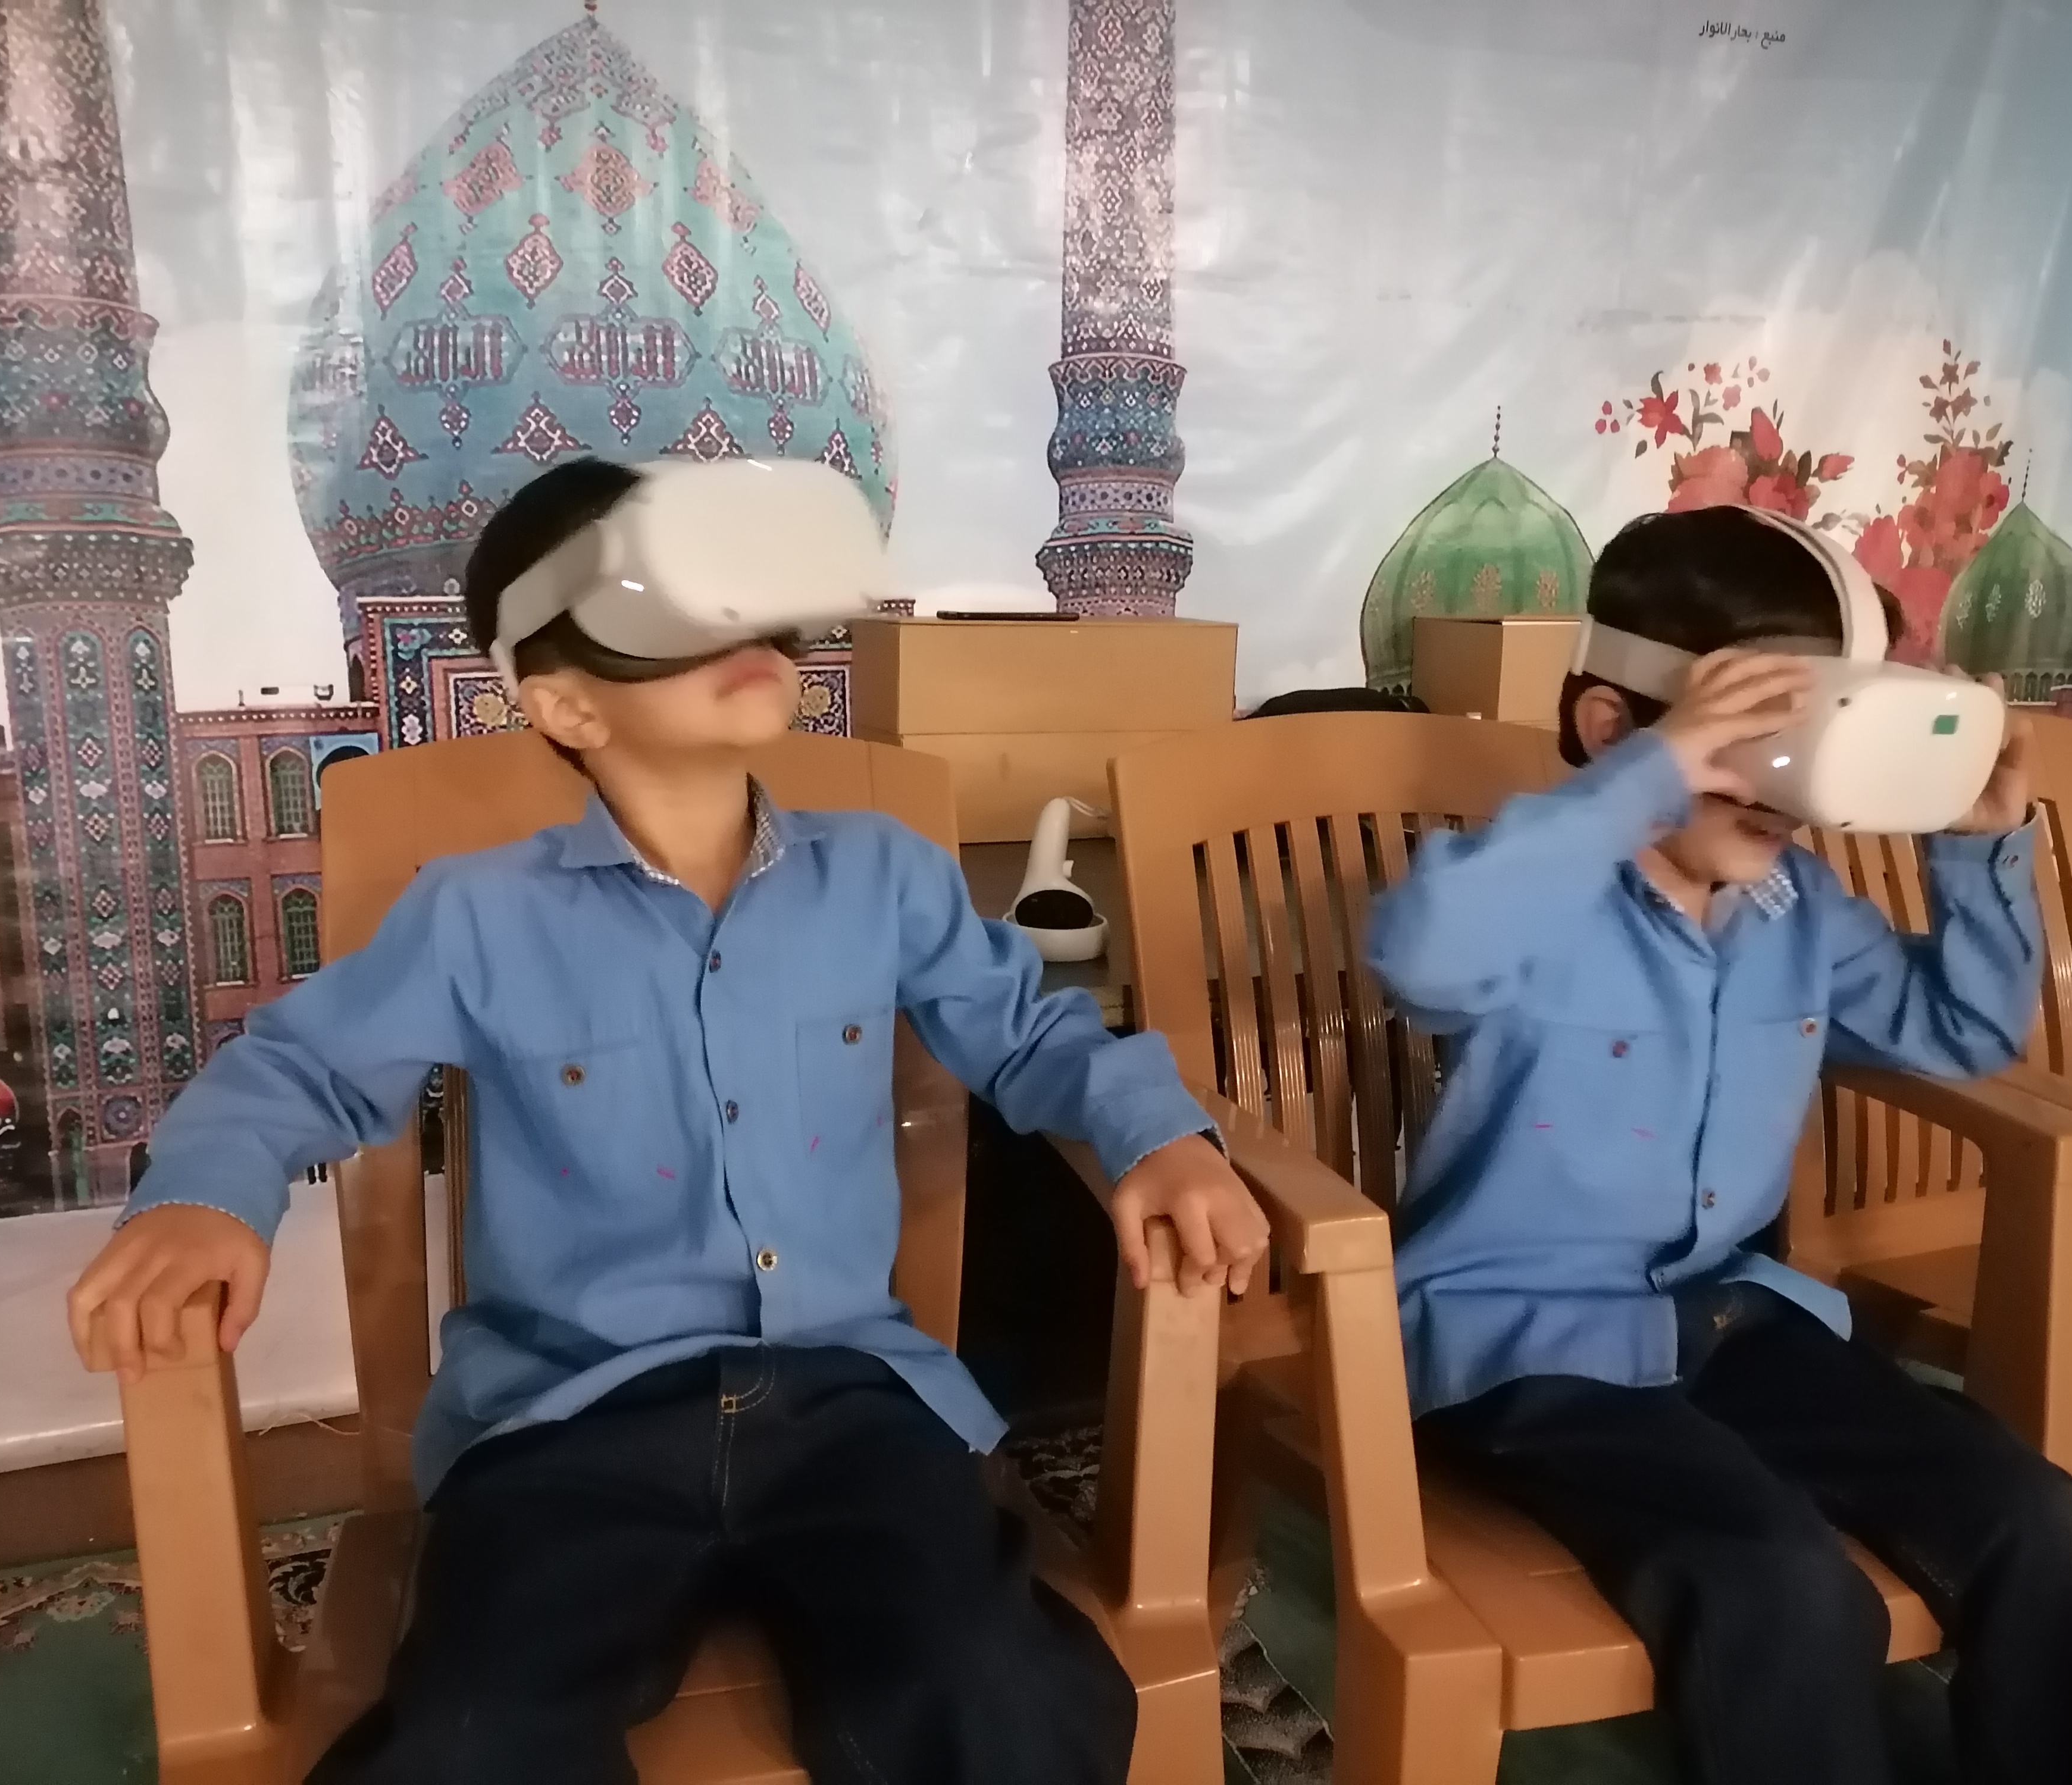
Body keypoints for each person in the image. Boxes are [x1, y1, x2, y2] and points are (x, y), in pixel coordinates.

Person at [65, 456, 1270, 1785]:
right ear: (565, 701)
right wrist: (200, 1198)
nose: (735, 629)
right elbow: (296, 1068)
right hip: (567, 1425)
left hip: (852, 1409)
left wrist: (1161, 1136)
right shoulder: (476, 916)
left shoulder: (886, 881)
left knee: (984, 1687)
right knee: (473, 1735)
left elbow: (1036, 1034)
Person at [1367, 505, 2072, 1785]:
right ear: (1612, 725)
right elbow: (1420, 953)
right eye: (1750, 743)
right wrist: (1650, 778)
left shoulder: (1796, 909)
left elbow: (1957, 1030)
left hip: (1732, 1322)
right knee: (1777, 1577)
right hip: (1522, 1346)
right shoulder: (1534, 896)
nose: (1787, 792)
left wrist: (1975, 842)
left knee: (2028, 1516)